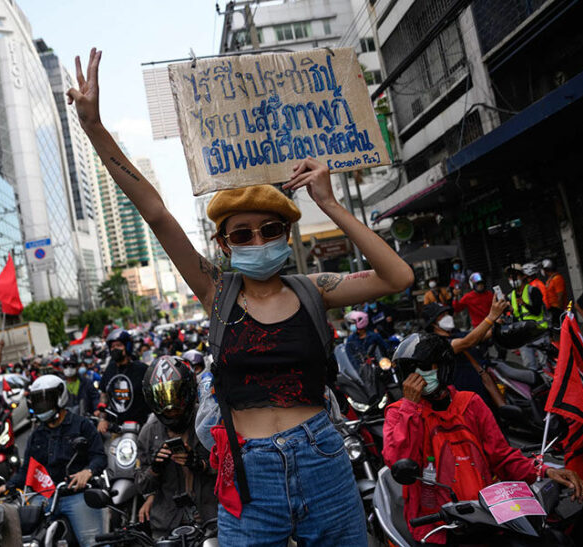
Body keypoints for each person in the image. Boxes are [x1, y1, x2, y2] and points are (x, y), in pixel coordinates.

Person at [67, 47, 413, 545]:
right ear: (223, 245)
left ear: (287, 234)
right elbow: (157, 213)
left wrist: (330, 203)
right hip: (249, 476)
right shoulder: (215, 293)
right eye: (242, 234)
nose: (258, 241)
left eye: (271, 230)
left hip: (324, 461)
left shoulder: (315, 290)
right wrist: (95, 128)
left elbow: (398, 276)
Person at [383, 333, 583, 544]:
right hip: (439, 525)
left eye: (427, 368)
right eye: (412, 373)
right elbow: (398, 460)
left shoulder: (470, 403)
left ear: (443, 367)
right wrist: (411, 407)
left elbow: (502, 457)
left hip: (489, 515)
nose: (419, 377)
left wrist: (545, 470)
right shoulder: (399, 413)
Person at [0, 375, 106, 547]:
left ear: (59, 398)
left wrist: (88, 471)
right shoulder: (36, 435)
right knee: (27, 539)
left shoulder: (82, 425)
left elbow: (99, 456)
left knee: (93, 542)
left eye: (45, 400)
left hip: (75, 494)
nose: (41, 405)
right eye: (37, 401)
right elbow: (26, 471)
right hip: (45, 496)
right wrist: (4, 487)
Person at [136, 356, 217, 537]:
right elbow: (141, 484)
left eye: (176, 398)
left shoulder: (208, 421)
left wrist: (200, 464)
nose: (171, 408)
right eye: (163, 400)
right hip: (167, 525)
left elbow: (232, 467)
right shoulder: (148, 433)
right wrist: (155, 469)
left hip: (211, 520)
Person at [421, 301, 508, 408]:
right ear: (433, 323)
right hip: (467, 398)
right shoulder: (438, 344)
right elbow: (467, 342)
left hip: (483, 390)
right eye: (442, 316)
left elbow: (482, 335)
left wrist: (499, 318)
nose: (448, 317)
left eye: (447, 314)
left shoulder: (455, 334)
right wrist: (491, 317)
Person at [97, 328, 151, 433]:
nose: (115, 349)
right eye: (112, 347)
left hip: (142, 428)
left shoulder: (141, 369)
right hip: (118, 428)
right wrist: (102, 419)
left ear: (127, 346)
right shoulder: (110, 369)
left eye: (118, 345)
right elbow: (104, 394)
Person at [507, 263, 549, 370]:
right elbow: (515, 317)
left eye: (515, 276)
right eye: (510, 277)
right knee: (529, 366)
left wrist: (523, 303)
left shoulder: (533, 291)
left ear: (523, 276)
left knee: (546, 364)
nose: (513, 279)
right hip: (523, 335)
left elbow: (537, 311)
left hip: (539, 332)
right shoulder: (510, 296)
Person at [542, 259, 568, 327]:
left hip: (558, 309)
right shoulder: (550, 279)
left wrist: (560, 310)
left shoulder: (557, 278)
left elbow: (560, 295)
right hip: (552, 309)